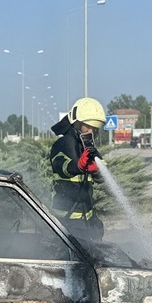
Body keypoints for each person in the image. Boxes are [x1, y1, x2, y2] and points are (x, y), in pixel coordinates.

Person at [48, 97, 107, 239]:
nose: (91, 131)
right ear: (77, 123)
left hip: (87, 218)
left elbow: (104, 172)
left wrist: (98, 170)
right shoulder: (62, 144)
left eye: (94, 128)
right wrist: (79, 166)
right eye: (88, 126)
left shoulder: (87, 146)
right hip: (66, 220)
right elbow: (61, 166)